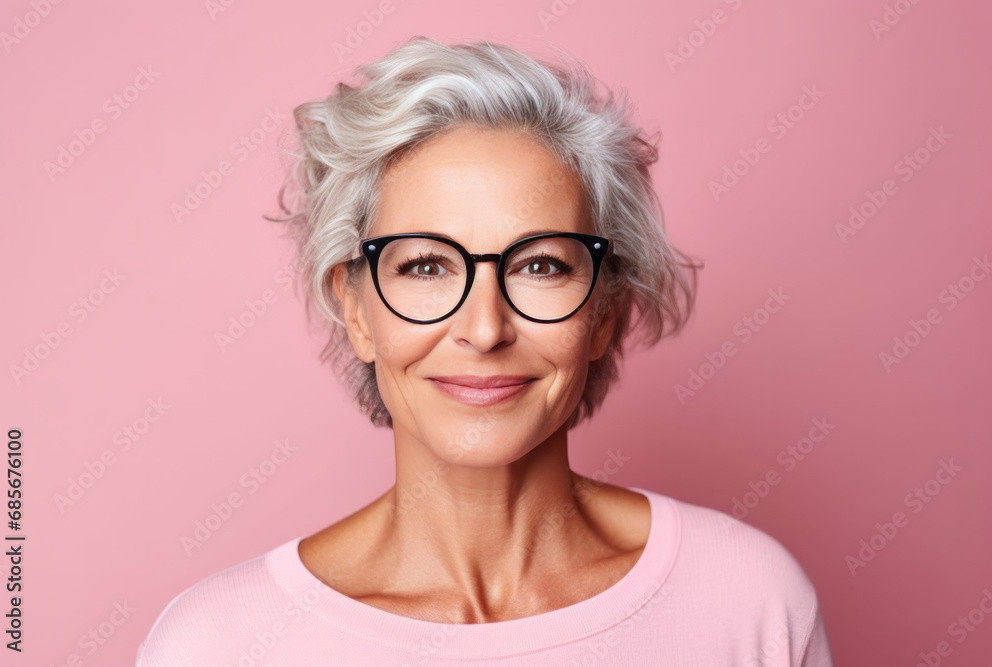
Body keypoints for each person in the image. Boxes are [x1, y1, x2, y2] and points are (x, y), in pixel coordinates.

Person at [137, 36, 834, 666]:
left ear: (604, 312)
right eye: (425, 266)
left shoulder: (747, 600)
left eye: (541, 266)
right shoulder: (218, 643)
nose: (484, 327)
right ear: (354, 309)